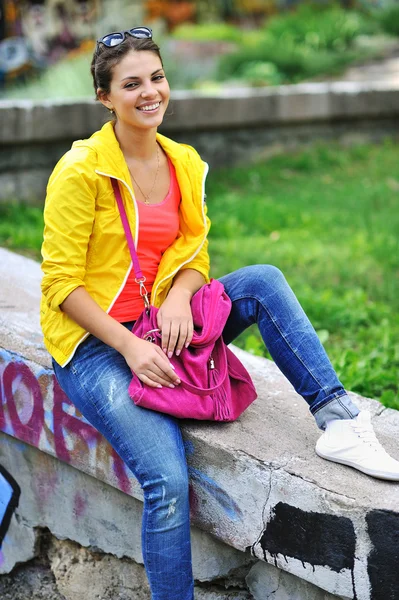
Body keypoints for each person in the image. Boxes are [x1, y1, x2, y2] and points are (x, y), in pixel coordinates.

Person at [40, 27, 399, 600]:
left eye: (156, 77)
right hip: (97, 346)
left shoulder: (183, 162)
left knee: (262, 282)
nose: (150, 92)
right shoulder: (81, 171)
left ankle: (338, 420)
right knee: (167, 481)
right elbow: (61, 285)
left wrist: (181, 293)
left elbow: (193, 253)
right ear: (105, 98)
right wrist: (131, 348)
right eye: (131, 84)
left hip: (165, 322)